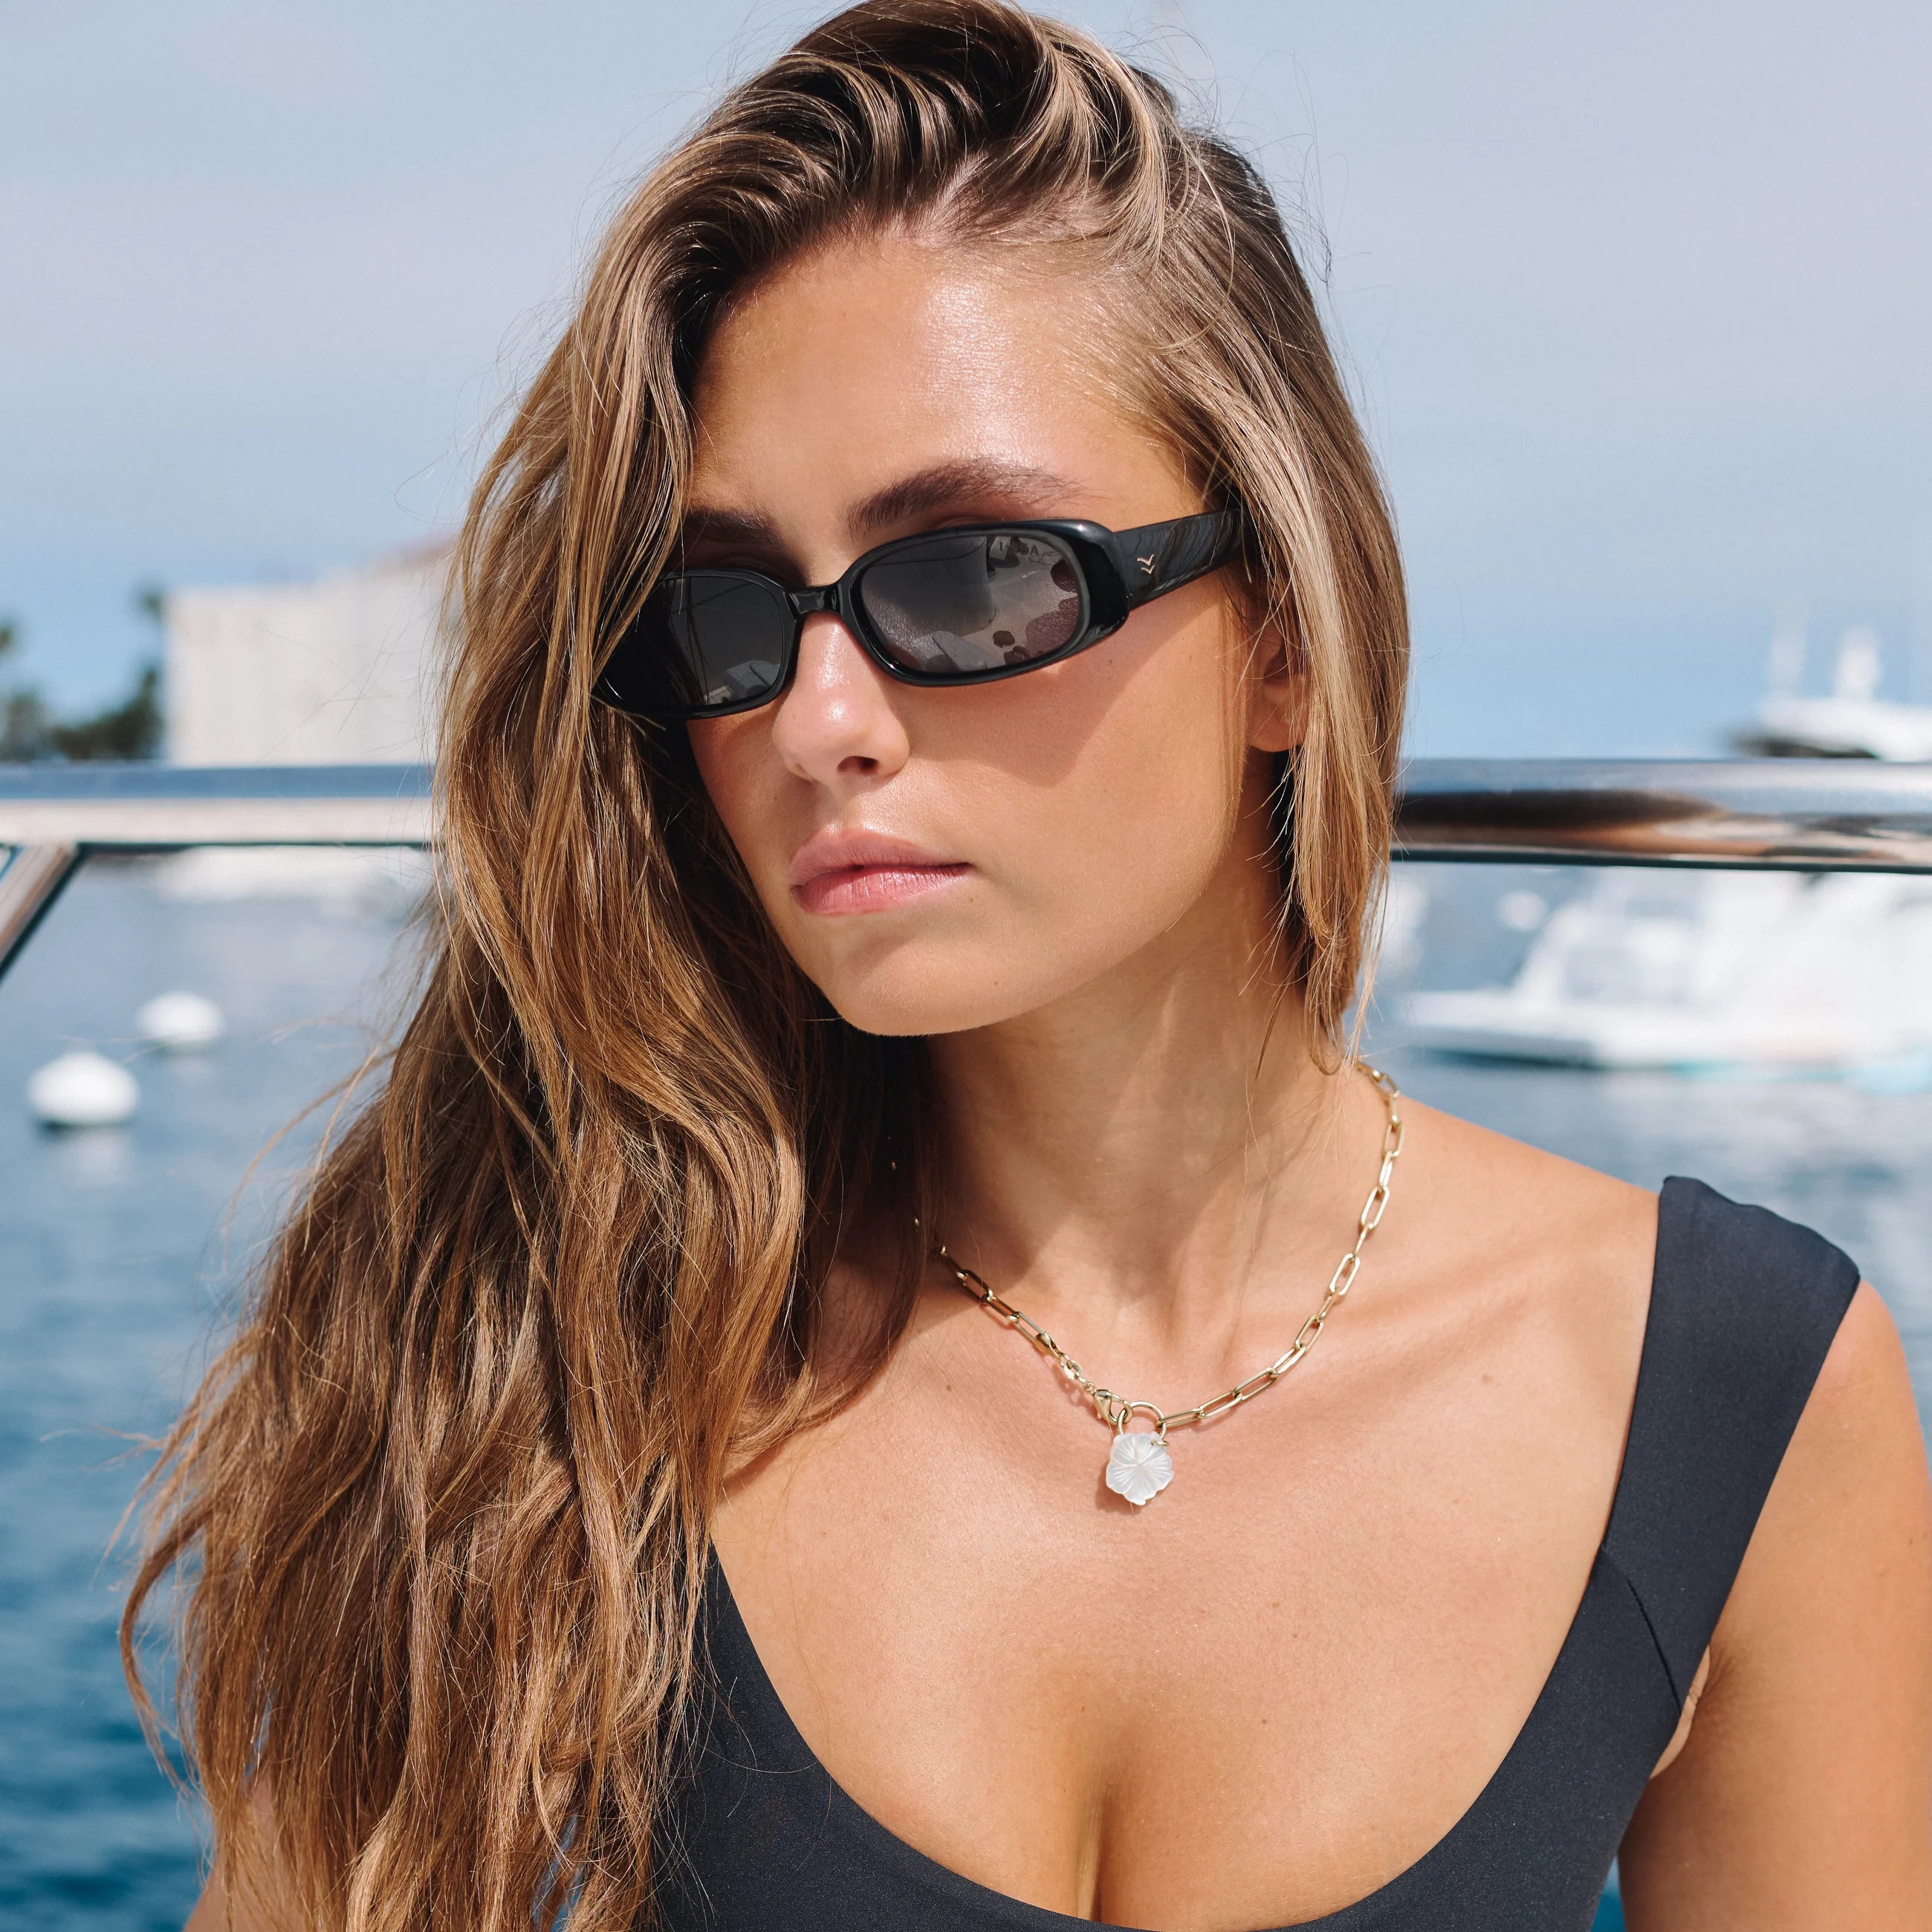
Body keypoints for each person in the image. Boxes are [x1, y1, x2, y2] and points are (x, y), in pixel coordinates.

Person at [134, 4, 1932, 1928]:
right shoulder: (519, 1347)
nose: (817, 716)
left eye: (976, 574)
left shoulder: (1733, 1381)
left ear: (1284, 641)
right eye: (730, 610)